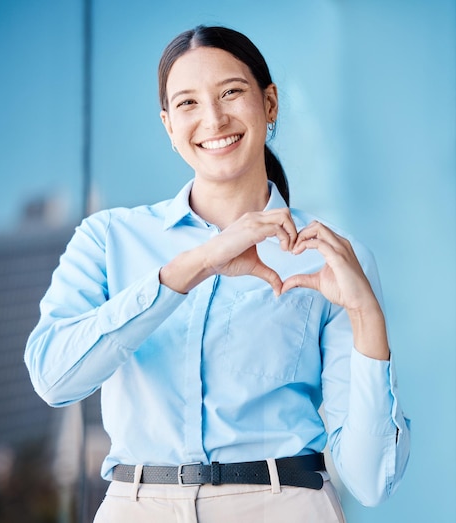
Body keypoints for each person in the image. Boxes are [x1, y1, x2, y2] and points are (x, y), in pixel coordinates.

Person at [25, 25, 410, 523]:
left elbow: (370, 480)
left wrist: (367, 317)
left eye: (231, 92)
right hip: (137, 507)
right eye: (187, 103)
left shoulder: (330, 255)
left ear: (270, 104)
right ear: (168, 124)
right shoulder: (107, 239)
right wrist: (196, 264)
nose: (213, 118)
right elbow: (54, 379)